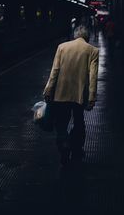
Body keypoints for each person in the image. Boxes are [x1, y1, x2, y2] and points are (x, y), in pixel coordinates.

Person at [43, 25, 99, 165]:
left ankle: (64, 145)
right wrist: (91, 98)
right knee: (79, 122)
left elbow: (54, 71)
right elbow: (93, 77)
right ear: (87, 37)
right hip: (80, 95)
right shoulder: (92, 50)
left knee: (61, 123)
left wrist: (48, 90)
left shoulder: (62, 47)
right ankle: (77, 148)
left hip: (61, 94)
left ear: (75, 35)